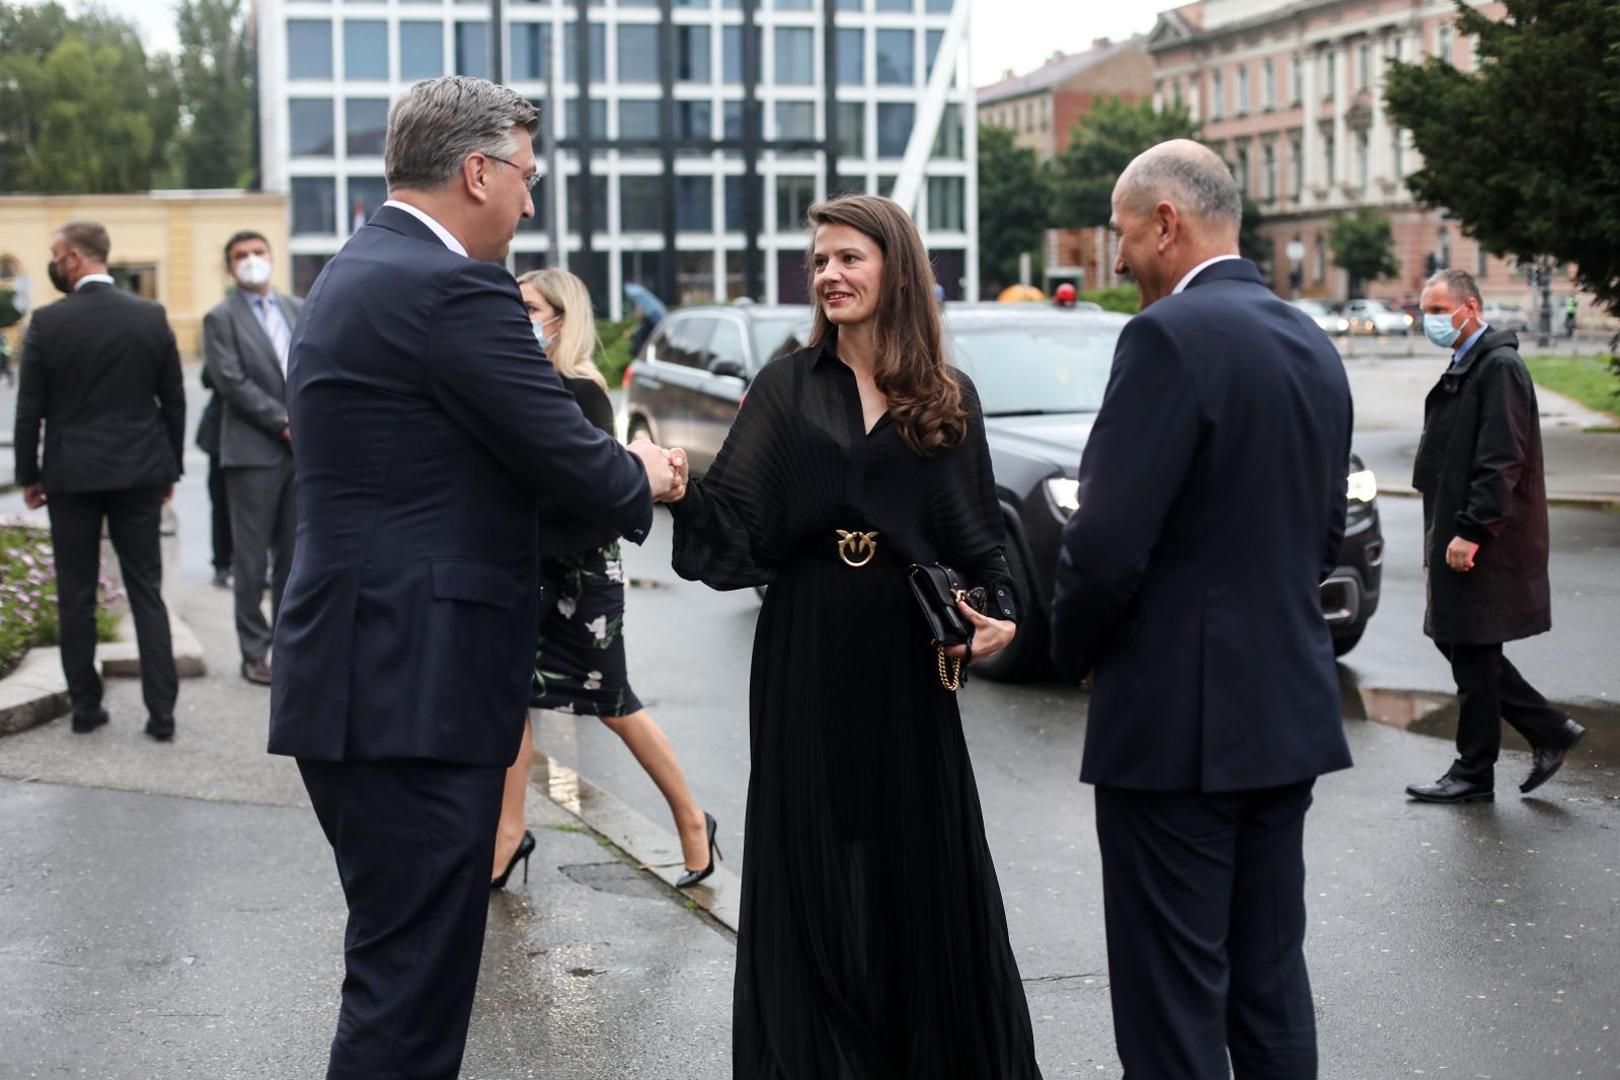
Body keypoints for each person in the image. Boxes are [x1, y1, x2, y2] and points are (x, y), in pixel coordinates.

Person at [268, 76, 680, 1079]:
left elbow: (448, 469)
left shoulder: (356, 269)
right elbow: (564, 456)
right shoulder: (451, 286)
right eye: (527, 180)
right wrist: (648, 473)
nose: (531, 204)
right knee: (408, 1000)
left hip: (362, 676)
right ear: (477, 171)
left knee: (398, 976)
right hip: (414, 685)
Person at [667, 193, 1042, 1078]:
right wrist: (677, 489)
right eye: (820, 262)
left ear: (895, 269)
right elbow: (739, 529)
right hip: (806, 642)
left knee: (914, 853)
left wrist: (997, 615)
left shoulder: (947, 397)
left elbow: (978, 541)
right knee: (811, 849)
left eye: (849, 259)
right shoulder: (787, 385)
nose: (830, 274)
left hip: (905, 658)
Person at [1049, 140, 1353, 1079]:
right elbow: (1319, 531)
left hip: (1180, 731)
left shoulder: (1165, 339)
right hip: (1285, 714)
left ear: (1166, 223)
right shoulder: (1308, 337)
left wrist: (1074, 651)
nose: (1119, 257)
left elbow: (1103, 546)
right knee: (1269, 985)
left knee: (1172, 1000)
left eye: (1122, 235)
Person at [492, 267, 716, 890]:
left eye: (530, 307)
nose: (520, 317)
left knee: (613, 702)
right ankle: (507, 836)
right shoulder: (519, 384)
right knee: (512, 700)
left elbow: (592, 493)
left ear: (561, 318)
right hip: (528, 568)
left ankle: (692, 820)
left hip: (580, 571)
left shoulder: (582, 391)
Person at [1404, 268, 1584, 804]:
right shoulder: (1470, 362)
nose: (1430, 320)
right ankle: (1546, 731)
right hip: (1459, 525)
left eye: (1439, 310)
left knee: (1471, 646)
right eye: (1426, 311)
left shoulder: (1498, 366)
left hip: (1483, 534)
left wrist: (1472, 531)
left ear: (1471, 308)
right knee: (1458, 640)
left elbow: (1501, 457)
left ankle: (1474, 770)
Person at [13, 222, 185, 740]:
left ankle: (86, 707)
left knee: (76, 593)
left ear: (71, 259)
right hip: (139, 473)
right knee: (145, 592)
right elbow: (172, 401)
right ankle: (162, 714)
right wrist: (168, 468)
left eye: (54, 255)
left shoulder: (46, 323)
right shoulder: (150, 316)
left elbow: (30, 412)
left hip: (71, 476)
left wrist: (29, 475)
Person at [201, 230, 303, 685]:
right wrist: (284, 422)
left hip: (301, 452)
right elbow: (230, 381)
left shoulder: (297, 309)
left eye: (258, 252)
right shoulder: (220, 317)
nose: (251, 261)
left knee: (294, 555)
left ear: (271, 256)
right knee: (250, 559)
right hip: (252, 451)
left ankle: (289, 643)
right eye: (240, 255)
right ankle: (254, 650)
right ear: (229, 268)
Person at [194, 366, 233, 589]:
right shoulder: (225, 333)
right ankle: (222, 563)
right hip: (220, 436)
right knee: (220, 503)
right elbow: (208, 376)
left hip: (261, 436)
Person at [623, 281, 667, 357]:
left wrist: (631, 335)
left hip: (642, 355)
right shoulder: (644, 321)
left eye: (638, 308)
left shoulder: (649, 322)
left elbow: (642, 336)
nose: (636, 310)